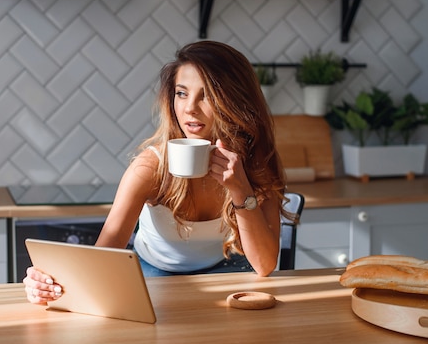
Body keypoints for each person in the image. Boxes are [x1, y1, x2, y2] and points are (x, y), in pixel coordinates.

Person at [24, 40, 289, 304]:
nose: (189, 108)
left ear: (235, 100)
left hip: (229, 270)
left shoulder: (256, 162)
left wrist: (240, 189)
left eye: (206, 95)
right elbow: (104, 254)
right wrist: (51, 286)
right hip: (155, 276)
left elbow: (264, 265)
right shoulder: (149, 167)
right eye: (181, 93)